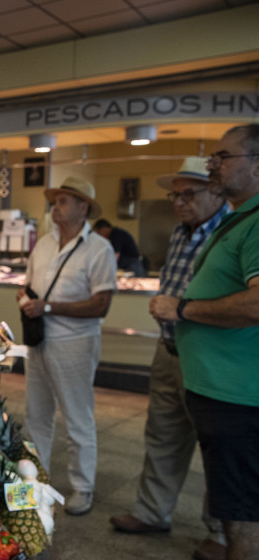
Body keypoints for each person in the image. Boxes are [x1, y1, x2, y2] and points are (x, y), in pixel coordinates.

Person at [109, 157, 229, 560]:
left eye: (189, 194)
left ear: (216, 189)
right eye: (174, 195)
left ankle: (222, 533)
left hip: (210, 356)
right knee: (162, 435)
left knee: (217, 446)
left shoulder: (231, 232)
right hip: (167, 351)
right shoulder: (179, 234)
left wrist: (179, 308)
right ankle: (152, 511)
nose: (180, 202)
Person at [150, 124, 259, 560]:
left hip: (237, 393)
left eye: (223, 157)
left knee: (242, 509)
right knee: (233, 500)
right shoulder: (238, 221)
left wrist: (183, 310)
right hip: (214, 385)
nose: (214, 164)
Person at [17, 176, 117, 516]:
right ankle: (36, 482)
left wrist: (48, 307)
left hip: (75, 343)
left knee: (77, 417)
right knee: (36, 416)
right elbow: (28, 284)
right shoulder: (44, 244)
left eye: (63, 201)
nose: (55, 206)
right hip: (40, 341)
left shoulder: (99, 249)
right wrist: (25, 297)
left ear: (83, 207)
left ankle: (82, 488)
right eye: (55, 200)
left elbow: (101, 304)